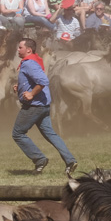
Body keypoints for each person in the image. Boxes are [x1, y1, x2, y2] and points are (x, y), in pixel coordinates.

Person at [12, 38, 77, 175]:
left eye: (20, 47)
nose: (18, 50)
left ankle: (39, 159)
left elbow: (42, 81)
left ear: (28, 50)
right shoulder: (34, 61)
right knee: (50, 134)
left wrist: (31, 94)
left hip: (34, 107)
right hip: (43, 105)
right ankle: (70, 160)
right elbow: (35, 79)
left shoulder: (29, 63)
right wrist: (21, 87)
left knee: (18, 133)